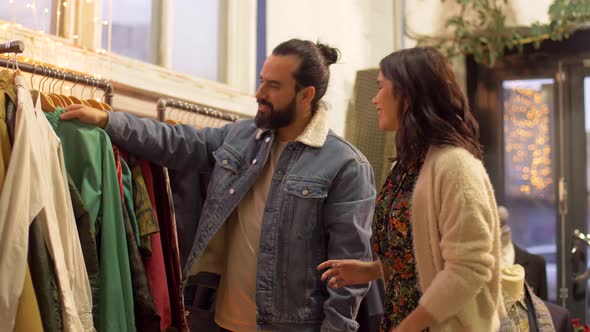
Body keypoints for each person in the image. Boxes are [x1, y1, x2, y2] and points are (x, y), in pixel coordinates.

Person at [60, 39, 376, 332]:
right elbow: (178, 142)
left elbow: (347, 275)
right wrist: (109, 120)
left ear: (306, 95)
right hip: (217, 320)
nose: (260, 93)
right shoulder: (241, 136)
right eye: (262, 80)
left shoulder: (345, 165)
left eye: (274, 85)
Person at [317, 47, 502, 332]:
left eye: (381, 88)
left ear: (407, 94)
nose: (374, 99)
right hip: (404, 317)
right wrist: (371, 271)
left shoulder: (456, 166)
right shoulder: (407, 165)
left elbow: (469, 269)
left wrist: (407, 328)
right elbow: (419, 258)